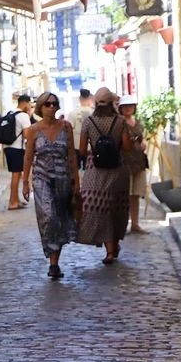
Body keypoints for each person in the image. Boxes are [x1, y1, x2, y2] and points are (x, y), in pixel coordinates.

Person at [22, 92, 79, 278]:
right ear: (41, 107)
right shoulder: (33, 130)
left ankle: (54, 264)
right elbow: (28, 157)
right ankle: (50, 252)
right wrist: (25, 182)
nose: (52, 107)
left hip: (63, 178)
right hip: (41, 178)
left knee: (60, 219)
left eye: (54, 103)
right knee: (49, 216)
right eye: (47, 104)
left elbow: (71, 155)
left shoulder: (66, 127)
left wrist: (76, 181)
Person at [77, 87, 132, 264]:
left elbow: (82, 150)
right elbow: (126, 147)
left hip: (95, 170)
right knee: (115, 206)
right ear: (111, 103)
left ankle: (109, 249)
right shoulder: (120, 121)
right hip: (117, 169)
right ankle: (113, 245)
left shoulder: (88, 122)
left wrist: (96, 150)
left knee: (100, 207)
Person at [118, 95, 149, 234]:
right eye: (125, 106)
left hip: (139, 162)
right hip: (124, 162)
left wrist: (144, 144)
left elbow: (143, 138)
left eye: (130, 106)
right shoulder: (119, 123)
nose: (128, 108)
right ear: (121, 108)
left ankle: (135, 224)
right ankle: (124, 224)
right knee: (124, 195)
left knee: (136, 194)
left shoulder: (138, 122)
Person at [4, 94, 35, 210]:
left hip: (8, 147)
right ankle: (12, 202)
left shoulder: (10, 113)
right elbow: (27, 135)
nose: (30, 106)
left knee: (16, 175)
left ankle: (16, 200)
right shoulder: (23, 116)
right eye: (29, 104)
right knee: (16, 176)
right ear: (25, 103)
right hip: (17, 148)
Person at [67, 88, 95, 170]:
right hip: (90, 146)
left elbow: (69, 130)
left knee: (76, 169)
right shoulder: (94, 113)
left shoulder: (73, 113)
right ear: (90, 98)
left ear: (80, 99)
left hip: (76, 146)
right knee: (89, 169)